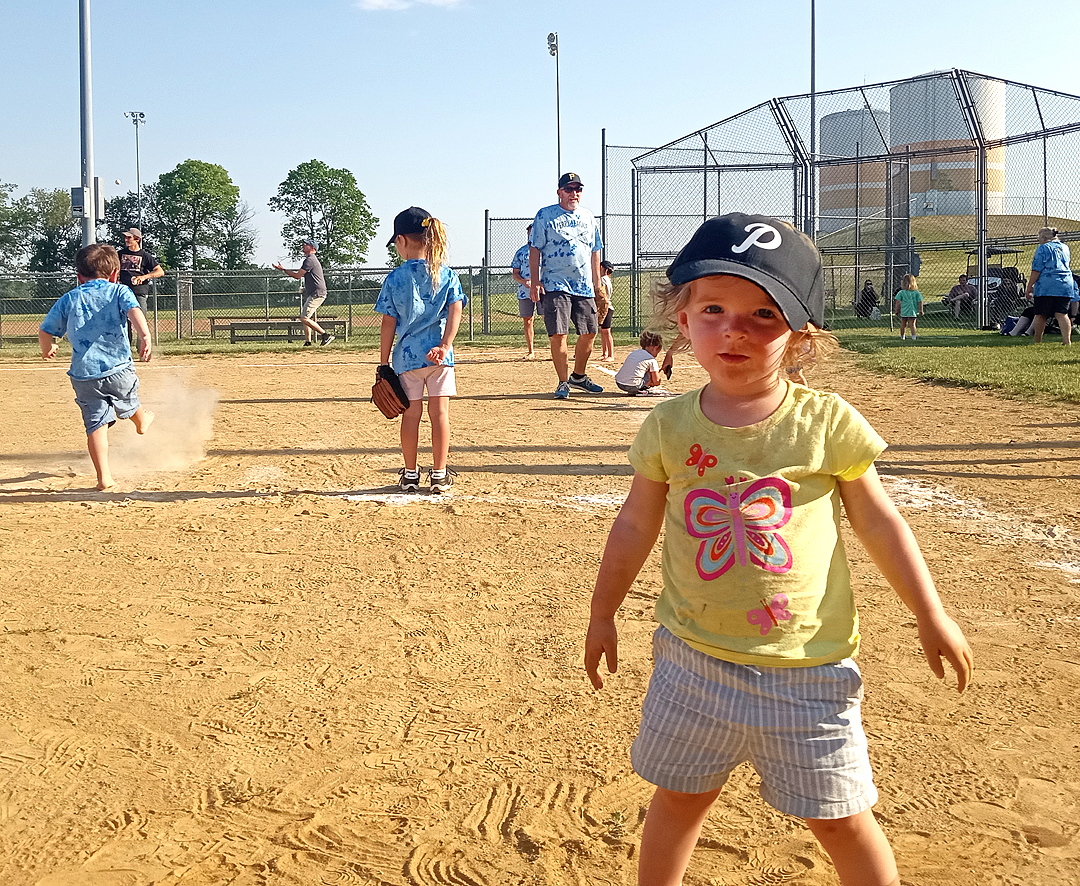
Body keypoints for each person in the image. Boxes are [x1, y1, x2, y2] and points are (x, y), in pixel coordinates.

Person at [584, 213, 973, 886]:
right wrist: (602, 611)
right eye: (713, 308)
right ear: (681, 317)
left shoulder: (826, 423)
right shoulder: (668, 426)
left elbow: (880, 523)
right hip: (693, 661)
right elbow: (633, 526)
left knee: (841, 818)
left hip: (809, 672)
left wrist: (929, 611)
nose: (734, 328)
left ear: (802, 337)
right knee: (679, 801)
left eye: (765, 314)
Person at [38, 244, 155, 491]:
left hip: (84, 375)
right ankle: (141, 421)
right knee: (129, 398)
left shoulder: (69, 298)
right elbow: (135, 313)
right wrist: (145, 337)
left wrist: (47, 349)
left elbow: (45, 330)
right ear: (114, 274)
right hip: (118, 368)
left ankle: (104, 478)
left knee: (96, 426)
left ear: (79, 276)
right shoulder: (120, 291)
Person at [376, 207, 466, 494]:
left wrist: (383, 362)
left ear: (402, 240)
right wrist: (445, 346)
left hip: (407, 358)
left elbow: (388, 322)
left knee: (411, 414)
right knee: (439, 413)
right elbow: (456, 312)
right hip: (440, 357)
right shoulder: (447, 274)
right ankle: (439, 475)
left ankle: (411, 474)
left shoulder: (394, 278)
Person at [529, 172, 605, 399]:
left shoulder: (588, 217)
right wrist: (535, 281)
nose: (574, 193)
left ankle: (578, 376)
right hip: (555, 283)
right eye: (569, 189)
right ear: (559, 192)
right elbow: (535, 249)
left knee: (590, 332)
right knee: (559, 334)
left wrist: (597, 282)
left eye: (578, 189)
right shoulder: (546, 215)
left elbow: (595, 250)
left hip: (583, 285)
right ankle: (563, 382)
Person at [273, 239, 334, 346]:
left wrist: (283, 270)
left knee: (304, 318)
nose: (304, 245)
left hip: (317, 293)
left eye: (307, 244)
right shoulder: (310, 259)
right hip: (314, 293)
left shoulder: (310, 260)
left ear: (312, 248)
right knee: (306, 318)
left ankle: (325, 335)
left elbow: (297, 276)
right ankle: (308, 342)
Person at [1024, 227, 1075, 345]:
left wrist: (1030, 286)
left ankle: (1038, 341)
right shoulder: (1065, 247)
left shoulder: (1043, 248)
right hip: (1065, 284)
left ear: (1043, 237)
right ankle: (1067, 341)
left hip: (1046, 285)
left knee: (1041, 314)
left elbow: (1036, 269)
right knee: (1061, 313)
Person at [117, 227, 163, 346]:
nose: (126, 239)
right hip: (122, 292)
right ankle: (125, 349)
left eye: (129, 237)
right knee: (124, 321)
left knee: (140, 319)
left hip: (139, 292)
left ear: (137, 239)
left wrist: (143, 277)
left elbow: (160, 271)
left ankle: (142, 348)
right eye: (126, 237)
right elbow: (113, 269)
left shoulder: (145, 256)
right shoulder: (120, 254)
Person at [510, 225, 538, 359]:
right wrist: (523, 281)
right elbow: (515, 273)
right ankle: (531, 351)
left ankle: (555, 349)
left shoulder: (545, 251)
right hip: (524, 291)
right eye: (530, 233)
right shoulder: (521, 252)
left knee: (549, 318)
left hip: (543, 290)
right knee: (528, 320)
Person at [614, 330, 669, 395]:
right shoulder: (651, 359)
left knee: (646, 371)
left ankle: (638, 388)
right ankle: (642, 389)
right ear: (655, 347)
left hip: (619, 383)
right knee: (650, 375)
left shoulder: (635, 352)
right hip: (633, 386)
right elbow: (656, 381)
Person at [894, 273, 923, 340]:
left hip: (904, 312)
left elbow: (898, 302)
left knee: (903, 325)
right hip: (912, 312)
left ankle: (902, 337)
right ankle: (913, 337)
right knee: (912, 325)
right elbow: (920, 301)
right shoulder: (916, 293)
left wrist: (897, 310)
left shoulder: (901, 292)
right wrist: (921, 310)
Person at [597, 260, 616, 361]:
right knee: (603, 331)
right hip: (603, 307)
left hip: (607, 307)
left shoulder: (604, 279)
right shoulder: (604, 279)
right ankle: (604, 353)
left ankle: (611, 355)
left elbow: (604, 293)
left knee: (607, 331)